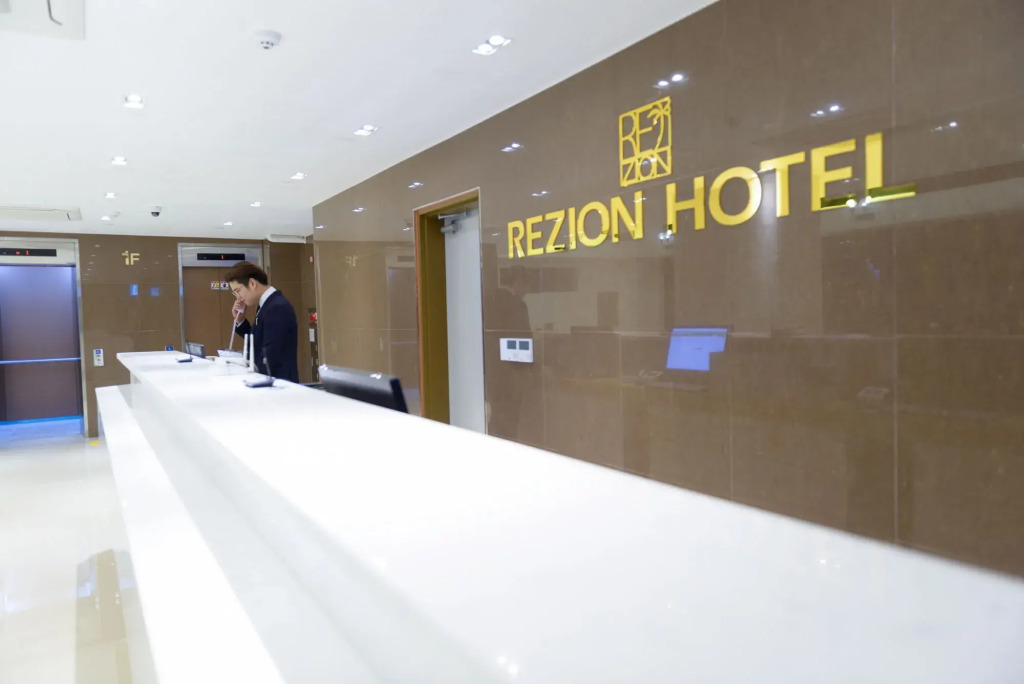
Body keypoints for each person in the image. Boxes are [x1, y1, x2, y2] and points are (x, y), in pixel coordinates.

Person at [225, 261, 299, 383]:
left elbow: (270, 355)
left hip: (277, 384)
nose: (238, 297)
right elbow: (259, 340)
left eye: (238, 291)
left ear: (252, 283)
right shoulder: (266, 304)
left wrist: (246, 372)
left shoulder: (277, 307)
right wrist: (240, 320)